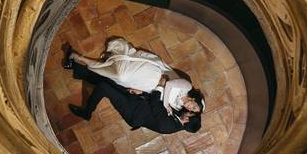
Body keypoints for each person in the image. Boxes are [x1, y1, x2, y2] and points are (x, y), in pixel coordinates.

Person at [63, 38, 204, 134]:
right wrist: (141, 92)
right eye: (193, 109)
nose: (188, 111)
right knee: (110, 81)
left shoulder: (169, 126)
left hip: (133, 112)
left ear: (187, 120)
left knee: (104, 86)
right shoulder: (179, 111)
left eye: (190, 113)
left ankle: (87, 111)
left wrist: (160, 87)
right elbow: (159, 101)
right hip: (139, 101)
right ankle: (75, 66)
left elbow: (156, 104)